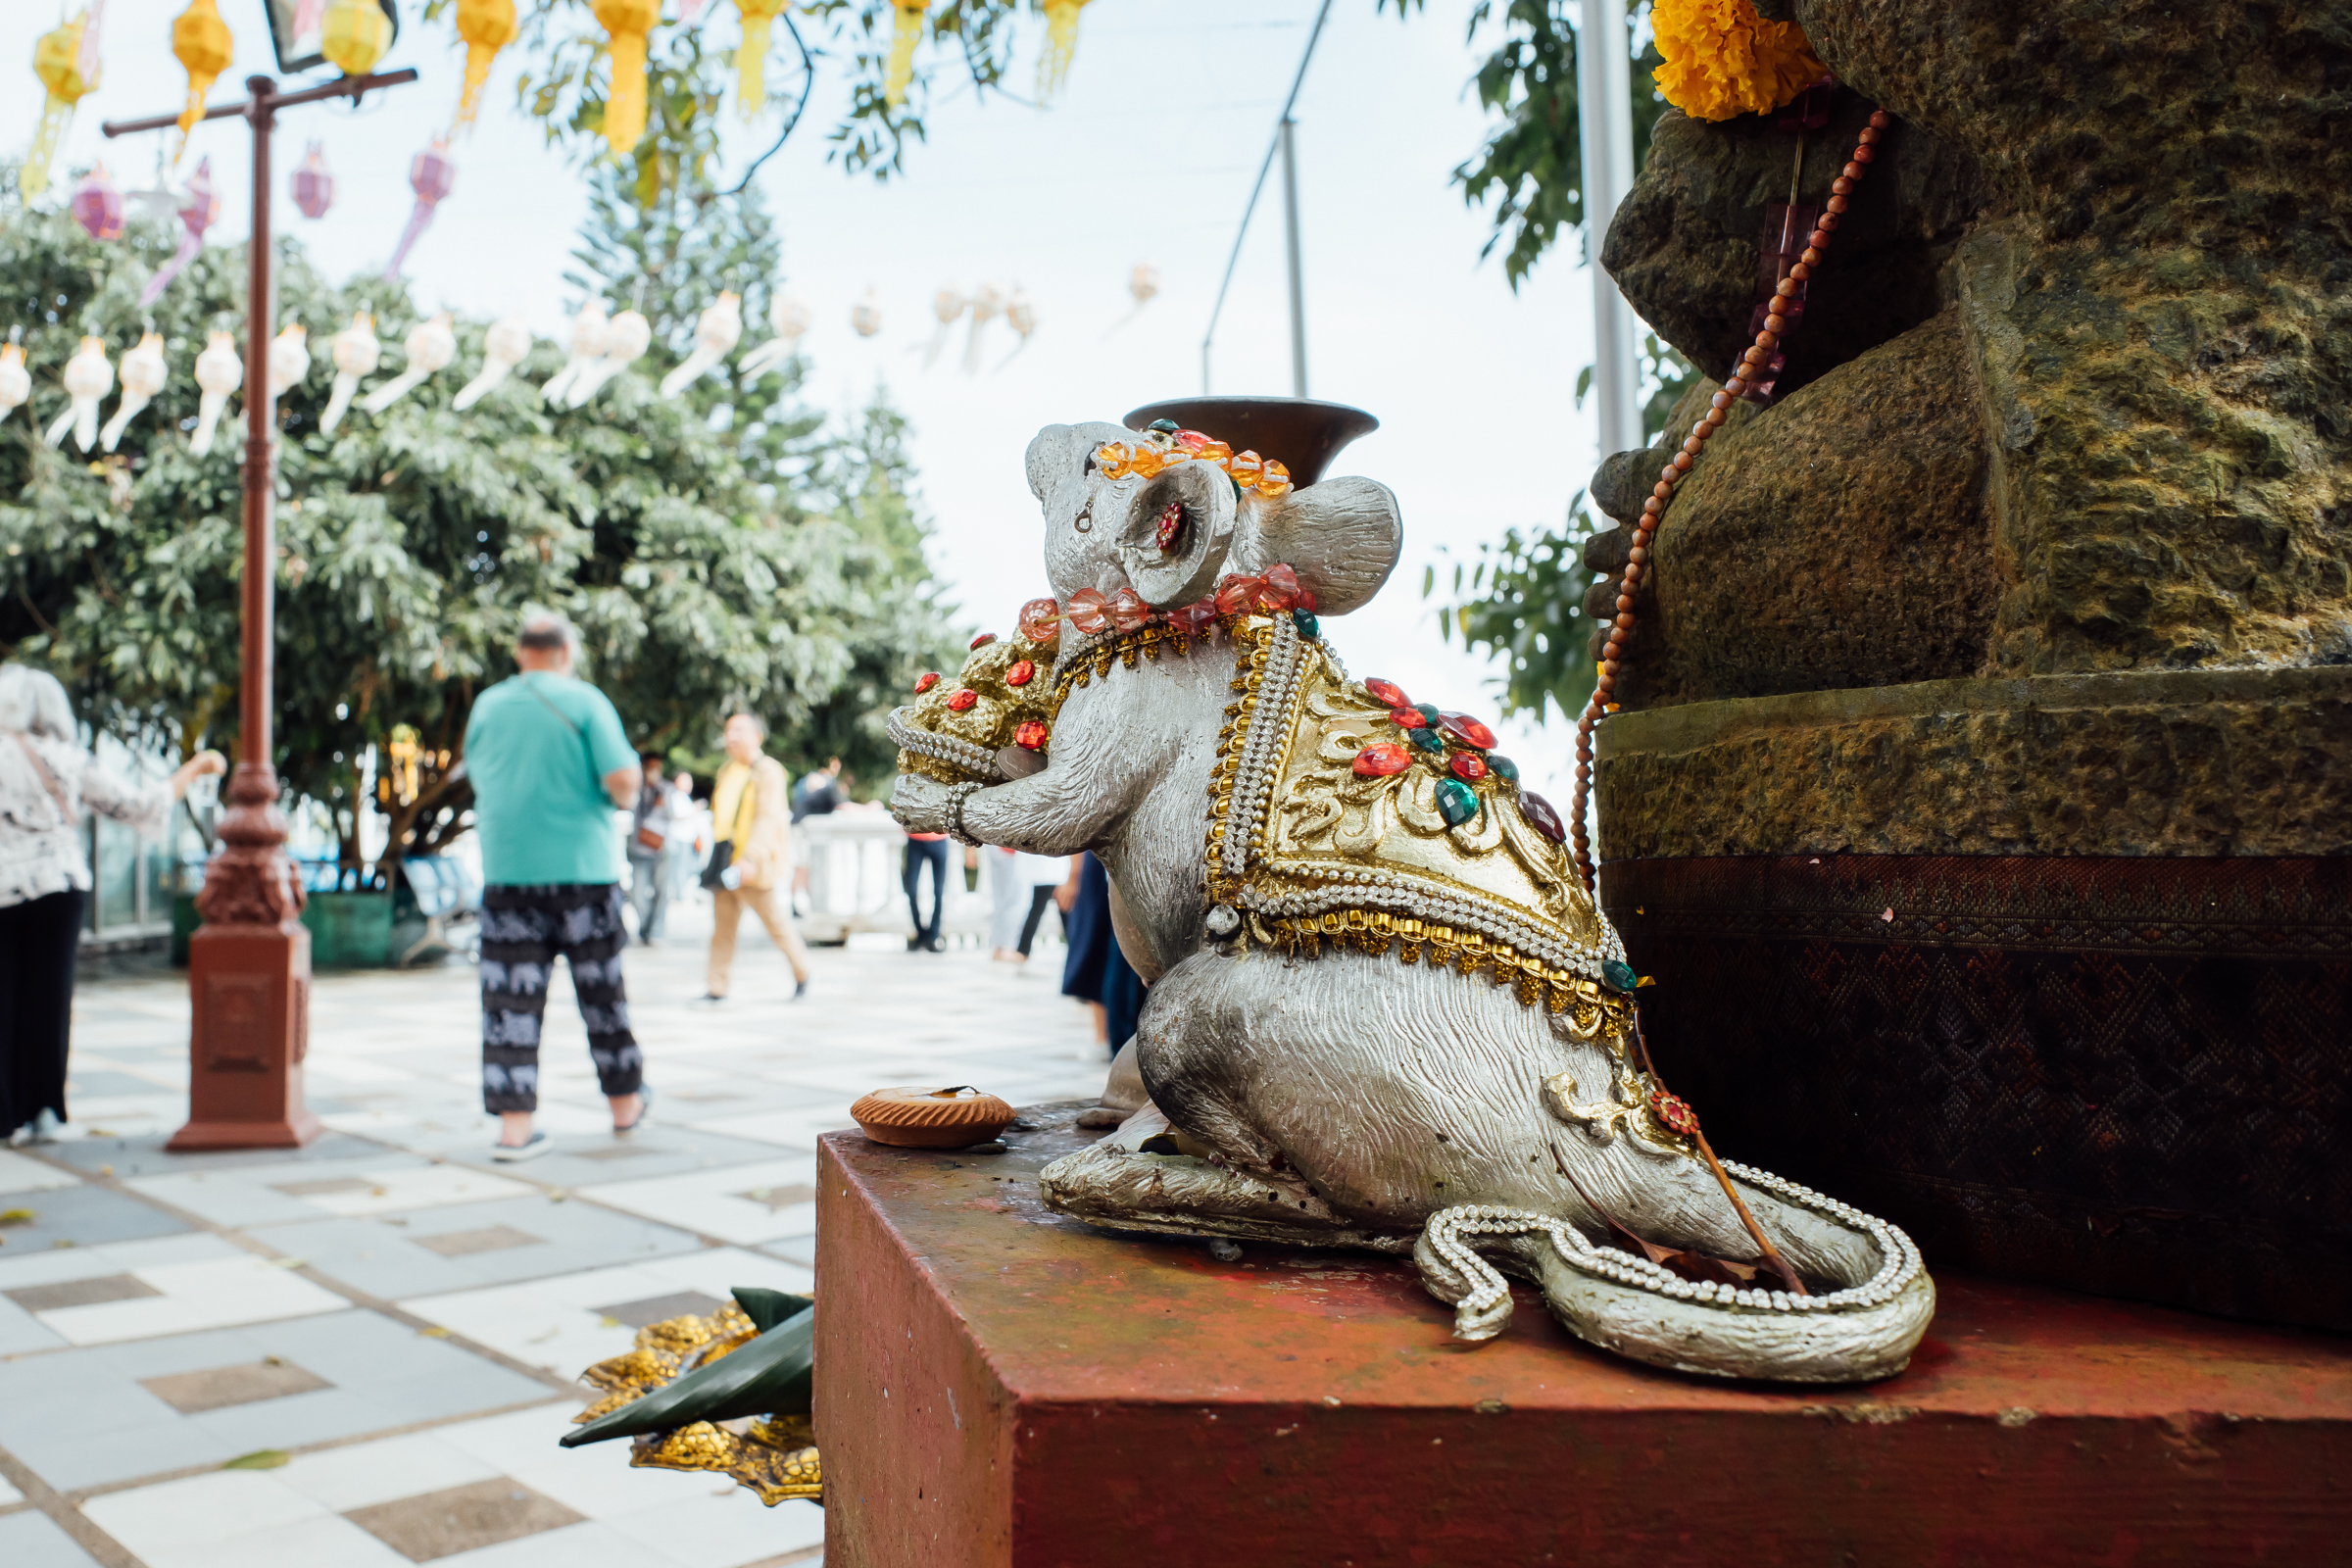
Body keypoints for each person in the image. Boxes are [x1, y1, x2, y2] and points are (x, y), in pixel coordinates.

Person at [0, 665, 223, 1145]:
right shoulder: (67, 758)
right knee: (49, 997)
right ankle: (43, 1111)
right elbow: (138, 807)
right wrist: (195, 768)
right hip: (58, 887)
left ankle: (4, 1114)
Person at [463, 611, 647, 1161]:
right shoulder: (586, 701)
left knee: (509, 1001)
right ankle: (624, 1108)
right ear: (566, 653)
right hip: (584, 874)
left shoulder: (488, 705)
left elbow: (480, 774)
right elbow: (623, 785)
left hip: (508, 873)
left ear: (521, 654)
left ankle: (514, 1131)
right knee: (602, 994)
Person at [704, 712, 811, 1003]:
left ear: (757, 737)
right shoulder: (727, 770)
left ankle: (802, 972)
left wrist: (750, 858)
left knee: (775, 924)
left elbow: (769, 819)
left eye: (739, 730)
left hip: (752, 865)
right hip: (725, 863)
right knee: (722, 929)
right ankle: (717, 986)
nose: (732, 737)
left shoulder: (768, 771)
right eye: (728, 731)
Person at [625, 753, 675, 945]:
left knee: (661, 892)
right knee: (637, 894)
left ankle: (655, 931)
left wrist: (660, 795)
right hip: (639, 849)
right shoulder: (636, 788)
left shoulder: (666, 789)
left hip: (661, 849)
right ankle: (645, 927)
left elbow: (672, 814)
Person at [903, 822, 949, 953]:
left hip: (939, 839)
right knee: (911, 890)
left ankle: (933, 935)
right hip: (915, 839)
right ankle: (920, 933)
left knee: (939, 892)